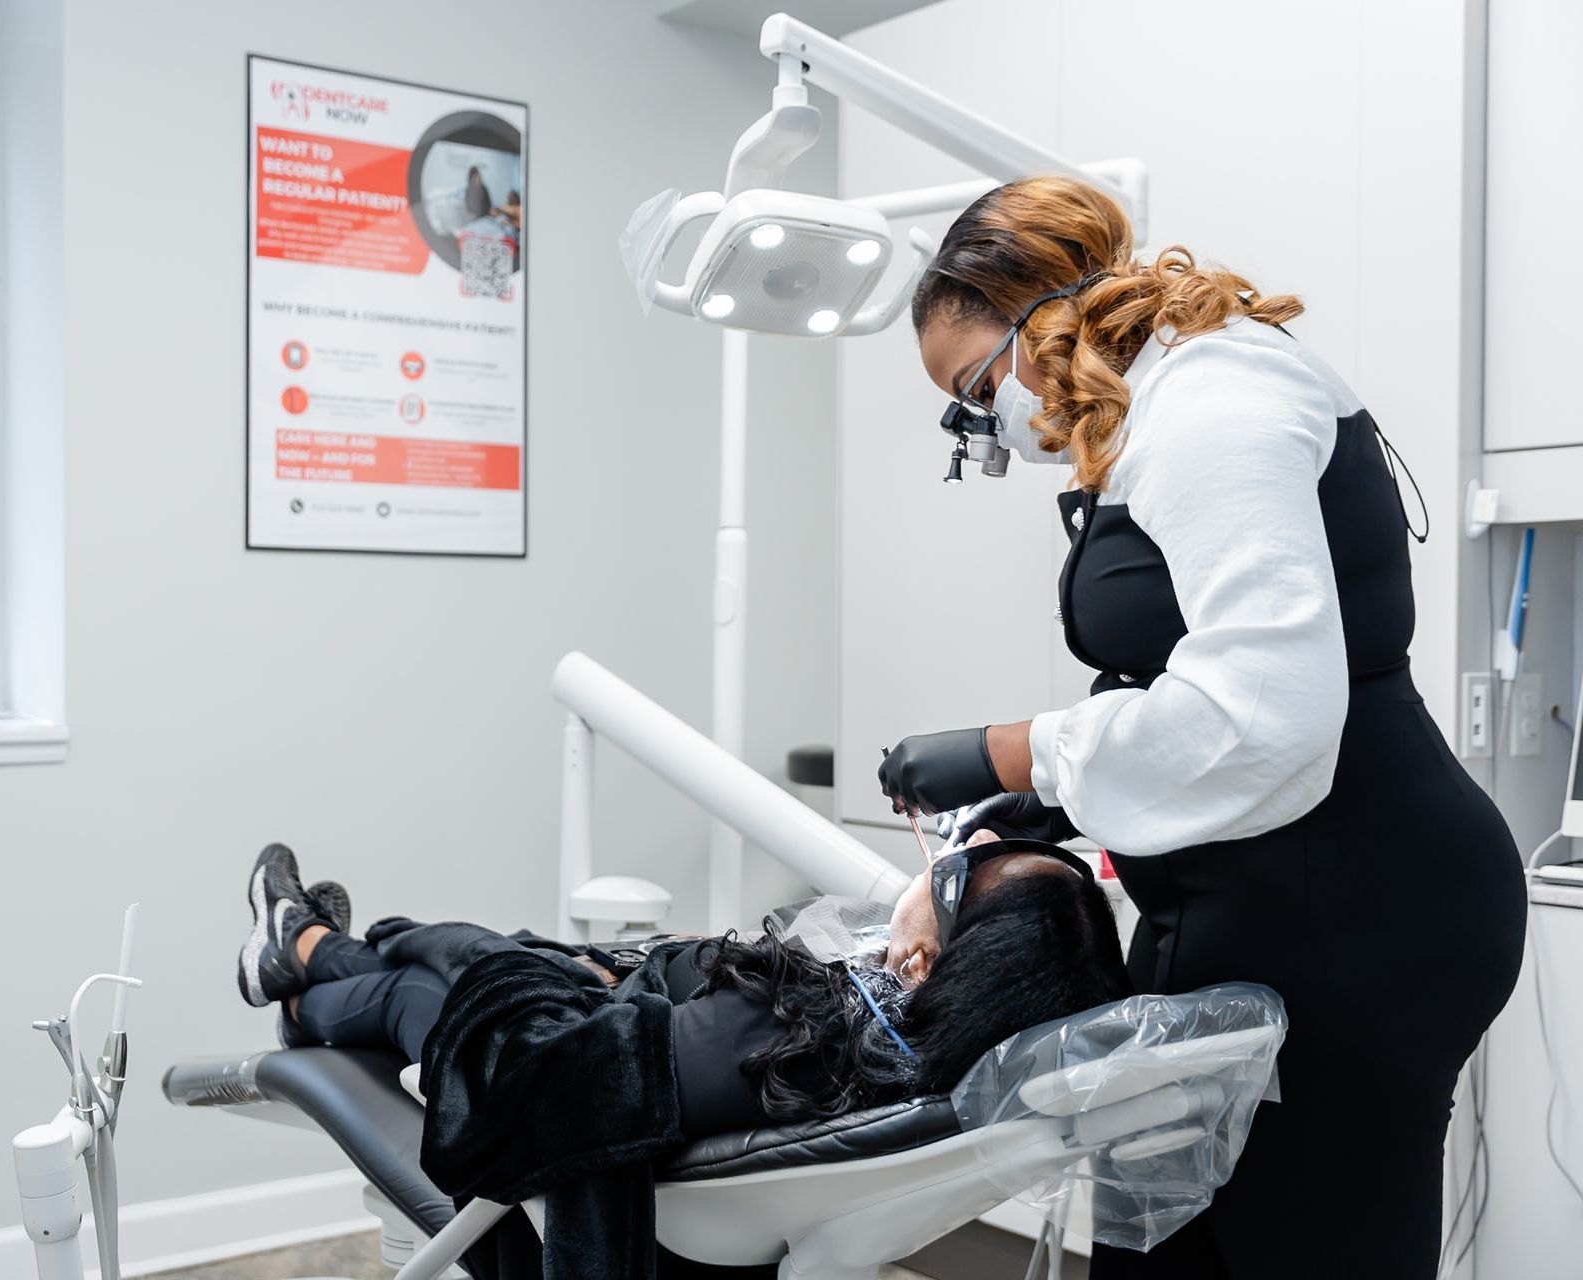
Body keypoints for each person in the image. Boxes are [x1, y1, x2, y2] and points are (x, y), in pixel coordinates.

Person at [875, 175, 1527, 1278]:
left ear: (1033, 330)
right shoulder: (1165, 409)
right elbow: (1180, 679)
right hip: (1267, 896)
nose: (979, 427)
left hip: (1362, 911)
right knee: (1173, 1244)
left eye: (970, 389)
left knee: (1303, 1242)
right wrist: (1023, 804)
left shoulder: (1218, 406)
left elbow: (1265, 711)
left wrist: (1009, 747)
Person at [234, 838, 1130, 1137]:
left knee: (437, 973)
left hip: (511, 1072)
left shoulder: (802, 1036)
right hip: (595, 1033)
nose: (930, 870)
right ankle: (302, 950)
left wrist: (588, 990)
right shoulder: (913, 1051)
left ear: (927, 964)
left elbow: (596, 1076)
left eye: (946, 884)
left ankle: (304, 968)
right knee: (494, 952)